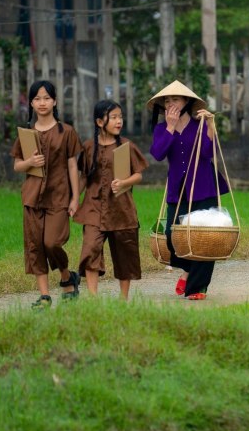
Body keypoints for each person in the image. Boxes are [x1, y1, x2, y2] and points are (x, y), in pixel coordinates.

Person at [149, 80, 225, 300]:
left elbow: (209, 154)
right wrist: (171, 127)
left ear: (186, 102)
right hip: (177, 189)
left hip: (203, 186)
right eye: (167, 101)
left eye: (175, 99)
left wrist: (211, 127)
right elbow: (157, 153)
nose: (170, 104)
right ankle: (187, 269)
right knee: (172, 237)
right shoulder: (161, 128)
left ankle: (197, 287)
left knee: (204, 238)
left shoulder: (199, 124)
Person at [11, 80, 82, 309]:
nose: (42, 103)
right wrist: (30, 162)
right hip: (32, 197)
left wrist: (74, 198)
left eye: (46, 98)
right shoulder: (26, 134)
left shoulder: (66, 131)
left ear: (55, 101)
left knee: (52, 242)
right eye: (37, 98)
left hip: (59, 196)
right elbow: (17, 165)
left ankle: (66, 276)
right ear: (31, 103)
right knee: (35, 246)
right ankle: (44, 296)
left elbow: (73, 166)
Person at [73, 100, 147, 299]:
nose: (118, 121)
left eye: (120, 117)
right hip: (93, 207)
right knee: (90, 249)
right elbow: (83, 177)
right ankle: (93, 299)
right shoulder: (89, 147)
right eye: (113, 117)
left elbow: (138, 175)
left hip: (121, 209)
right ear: (99, 122)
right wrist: (74, 200)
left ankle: (123, 299)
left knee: (125, 253)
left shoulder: (126, 146)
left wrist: (124, 183)